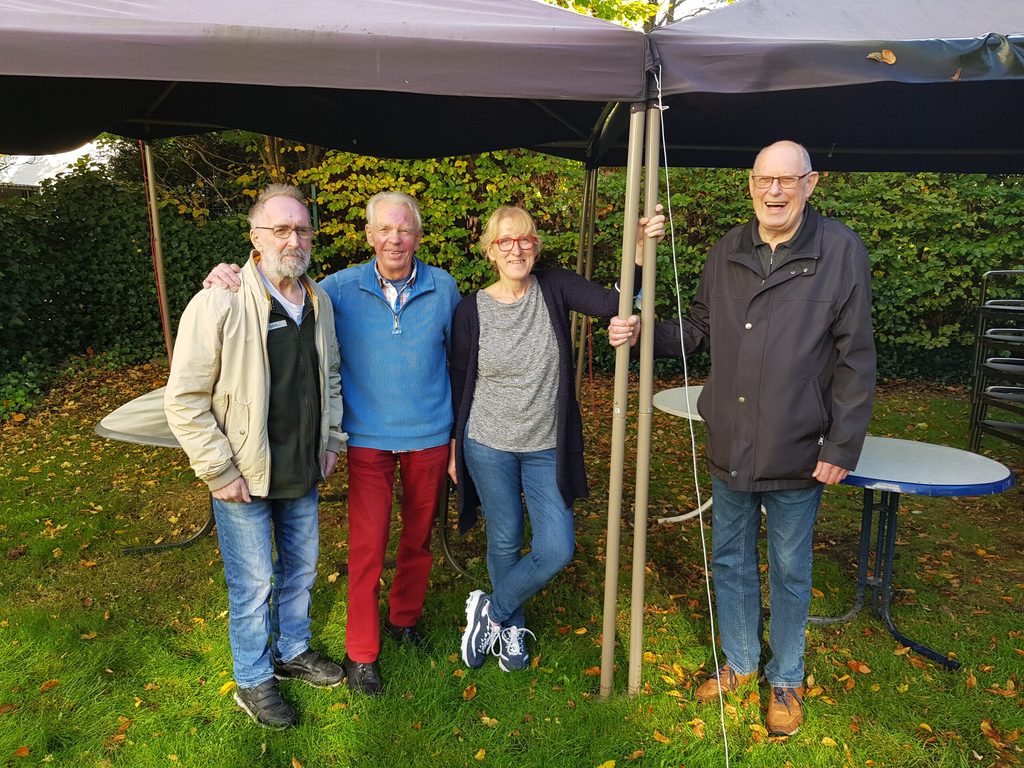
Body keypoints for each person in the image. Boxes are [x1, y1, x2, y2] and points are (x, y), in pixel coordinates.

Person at [610, 140, 876, 736]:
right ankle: (737, 661)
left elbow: (856, 355)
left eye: (788, 180)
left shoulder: (840, 251)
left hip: (798, 445)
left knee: (788, 567)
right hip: (730, 438)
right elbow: (698, 330)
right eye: (764, 180)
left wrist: (842, 447)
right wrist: (642, 329)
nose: (774, 191)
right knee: (729, 558)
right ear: (750, 184)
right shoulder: (727, 249)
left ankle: (785, 677)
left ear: (811, 184)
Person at [203, 191, 460, 695]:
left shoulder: (445, 287)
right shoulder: (336, 289)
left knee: (418, 539)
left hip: (430, 434)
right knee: (367, 548)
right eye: (384, 229)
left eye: (405, 229)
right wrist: (224, 274)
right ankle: (362, 653)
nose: (395, 239)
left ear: (419, 236)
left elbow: (460, 360)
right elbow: (272, 285)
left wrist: (455, 437)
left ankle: (404, 621)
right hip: (366, 440)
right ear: (368, 236)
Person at [452, 204, 664, 673]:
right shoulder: (471, 310)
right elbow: (458, 381)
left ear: (535, 246)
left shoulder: (555, 285)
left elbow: (614, 303)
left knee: (556, 548)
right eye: (505, 241)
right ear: (490, 250)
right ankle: (509, 632)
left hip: (546, 444)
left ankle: (492, 609)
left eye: (525, 239)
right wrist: (454, 450)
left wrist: (640, 251)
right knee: (505, 539)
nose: (517, 249)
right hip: (487, 443)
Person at [165, 184, 347, 729]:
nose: (294, 239)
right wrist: (217, 469)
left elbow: (330, 377)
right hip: (244, 471)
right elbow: (186, 398)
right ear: (255, 237)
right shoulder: (218, 299)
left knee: (301, 570)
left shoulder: (319, 300)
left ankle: (291, 651)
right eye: (281, 229)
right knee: (253, 584)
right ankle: (252, 678)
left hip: (303, 465)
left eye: (302, 229)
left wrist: (332, 439)